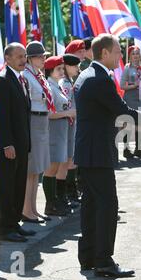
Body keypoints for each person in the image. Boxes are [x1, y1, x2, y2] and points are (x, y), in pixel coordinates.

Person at [74, 33, 141, 277]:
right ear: (105, 53)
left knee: (91, 205)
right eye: (118, 52)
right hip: (97, 151)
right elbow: (123, 111)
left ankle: (89, 257)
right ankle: (103, 261)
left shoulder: (87, 74)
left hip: (89, 150)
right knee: (107, 206)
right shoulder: (99, 79)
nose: (121, 56)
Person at [0, 43, 34, 243]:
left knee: (19, 186)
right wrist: (6, 144)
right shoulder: (2, 80)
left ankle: (14, 223)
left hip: (22, 143)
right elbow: (1, 118)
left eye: (24, 55)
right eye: (18, 56)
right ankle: (5, 228)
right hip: (9, 146)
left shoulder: (21, 79)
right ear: (7, 58)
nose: (23, 59)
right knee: (7, 186)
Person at [41, 56, 77, 218]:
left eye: (62, 69)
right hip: (54, 129)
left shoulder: (57, 85)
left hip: (63, 129)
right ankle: (51, 203)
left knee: (59, 165)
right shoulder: (49, 86)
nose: (62, 72)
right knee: (52, 168)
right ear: (50, 70)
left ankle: (58, 200)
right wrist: (67, 113)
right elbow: (48, 113)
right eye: (59, 69)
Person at [23, 41, 53, 222]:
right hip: (33, 119)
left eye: (44, 56)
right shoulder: (26, 75)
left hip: (42, 119)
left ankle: (33, 208)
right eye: (40, 56)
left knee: (37, 170)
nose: (43, 59)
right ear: (31, 58)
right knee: (31, 169)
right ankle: (26, 209)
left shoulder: (38, 75)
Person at [120, 46, 141, 158]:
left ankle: (138, 149)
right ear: (130, 56)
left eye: (137, 53)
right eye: (133, 54)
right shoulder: (127, 68)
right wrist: (133, 86)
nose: (135, 56)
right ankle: (126, 149)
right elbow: (122, 85)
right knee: (128, 123)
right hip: (130, 97)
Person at [60, 54, 82, 205]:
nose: (77, 69)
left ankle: (71, 191)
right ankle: (69, 192)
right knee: (69, 160)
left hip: (72, 122)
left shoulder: (70, 81)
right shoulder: (65, 84)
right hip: (68, 123)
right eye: (75, 66)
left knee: (72, 159)